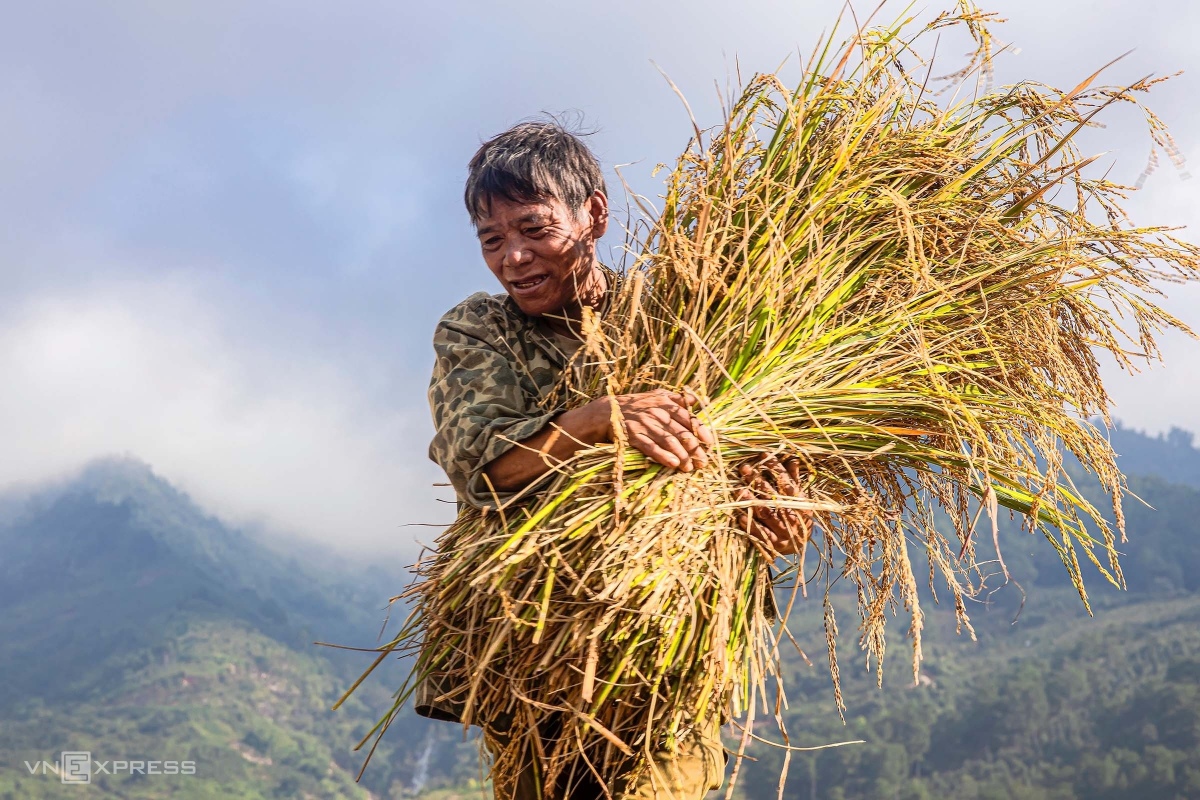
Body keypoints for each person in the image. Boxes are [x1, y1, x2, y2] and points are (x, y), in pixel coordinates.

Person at [420, 120, 809, 800]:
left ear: (593, 213)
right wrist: (602, 420)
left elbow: (733, 470)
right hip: (533, 660)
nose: (513, 256)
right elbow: (482, 465)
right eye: (493, 239)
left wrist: (771, 517)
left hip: (668, 663)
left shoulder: (684, 320)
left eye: (534, 229)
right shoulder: (480, 329)